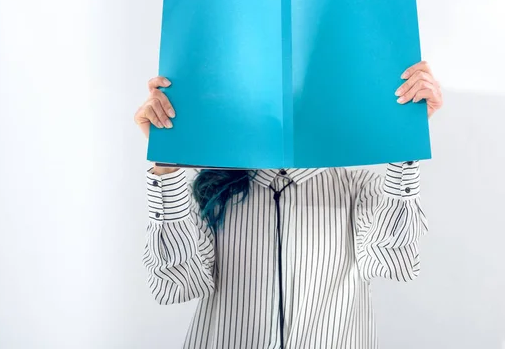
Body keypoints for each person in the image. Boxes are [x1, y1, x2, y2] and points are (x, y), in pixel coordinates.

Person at [134, 61, 443, 349]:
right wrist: (166, 164)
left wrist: (406, 137)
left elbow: (393, 261)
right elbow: (174, 284)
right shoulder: (208, 190)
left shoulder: (359, 188)